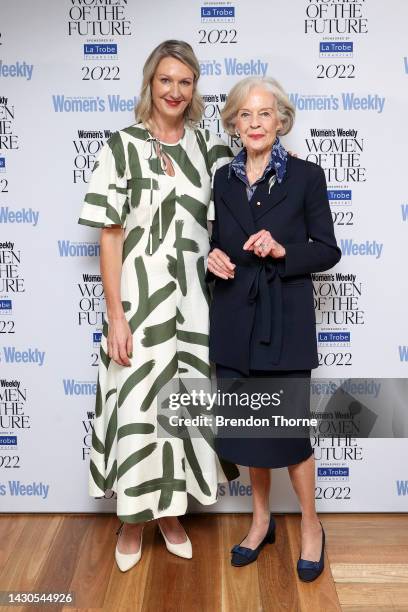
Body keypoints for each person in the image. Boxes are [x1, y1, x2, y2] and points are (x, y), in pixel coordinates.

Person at [78, 39, 237, 572]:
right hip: (139, 305)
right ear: (150, 83)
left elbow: (233, 217)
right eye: (166, 79)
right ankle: (131, 519)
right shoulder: (122, 145)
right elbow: (110, 235)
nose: (175, 90)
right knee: (138, 408)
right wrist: (116, 315)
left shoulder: (210, 147)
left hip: (193, 306)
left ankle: (171, 515)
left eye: (185, 81)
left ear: (195, 89)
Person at [207, 76, 342, 580]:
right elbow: (219, 243)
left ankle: (311, 523)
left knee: (288, 436)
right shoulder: (222, 178)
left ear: (280, 120)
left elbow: (328, 250)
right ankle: (261, 520)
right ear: (234, 123)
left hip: (283, 323)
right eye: (246, 114)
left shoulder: (306, 176)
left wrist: (286, 252)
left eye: (265, 114)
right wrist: (212, 259)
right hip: (234, 321)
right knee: (249, 434)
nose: (256, 123)